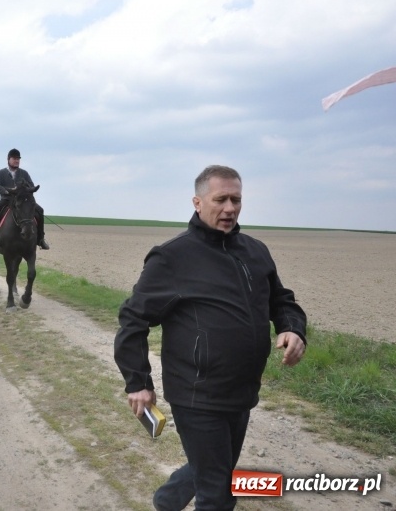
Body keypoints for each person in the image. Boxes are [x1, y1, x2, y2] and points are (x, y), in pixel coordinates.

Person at [114, 165, 307, 511]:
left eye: (236, 199)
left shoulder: (256, 251)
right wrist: (137, 382)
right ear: (198, 202)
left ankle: (167, 500)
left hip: (243, 389)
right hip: (196, 393)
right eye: (221, 199)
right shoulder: (173, 257)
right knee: (218, 493)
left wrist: (291, 327)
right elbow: (133, 320)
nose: (230, 208)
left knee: (216, 468)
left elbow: (281, 300)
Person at [0, 148, 50, 249]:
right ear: (8, 159)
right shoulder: (1, 173)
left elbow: (31, 186)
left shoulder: (24, 173)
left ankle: (41, 238)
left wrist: (24, 189)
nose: (17, 161)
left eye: (18, 159)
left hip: (22, 201)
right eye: (14, 158)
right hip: (7, 199)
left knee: (40, 210)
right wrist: (7, 191)